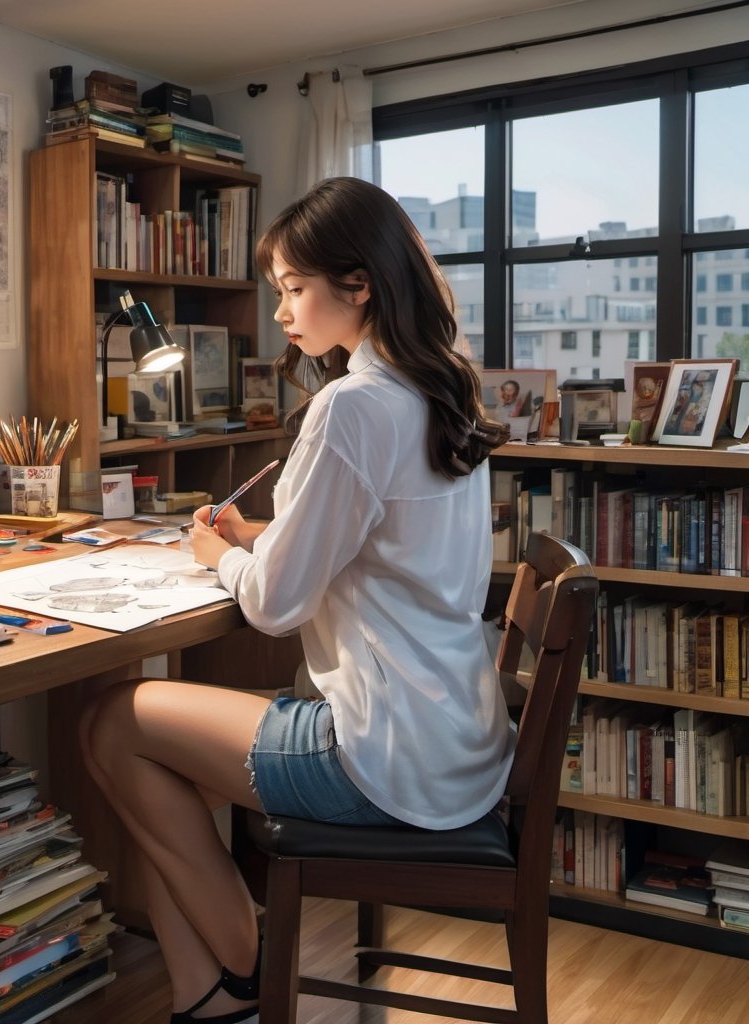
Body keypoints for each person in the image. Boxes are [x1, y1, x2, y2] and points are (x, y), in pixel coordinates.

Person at [80, 177, 515, 1024]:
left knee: (111, 725)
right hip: (455, 737)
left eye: (293, 289)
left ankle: (250, 956)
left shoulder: (351, 407)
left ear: (359, 285)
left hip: (381, 752)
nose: (280, 310)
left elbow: (277, 606)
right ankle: (205, 999)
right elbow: (375, 546)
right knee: (158, 767)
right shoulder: (443, 390)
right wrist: (257, 537)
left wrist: (215, 552)